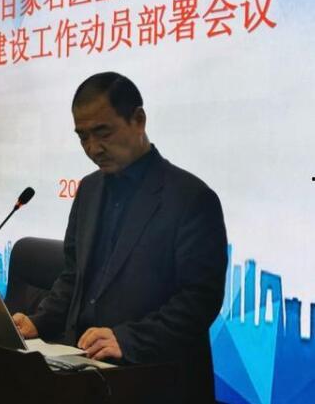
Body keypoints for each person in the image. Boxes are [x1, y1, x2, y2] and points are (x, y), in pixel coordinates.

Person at [12, 72, 227, 403]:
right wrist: (38, 322)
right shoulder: (89, 189)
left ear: (138, 120)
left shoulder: (190, 198)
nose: (93, 148)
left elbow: (199, 300)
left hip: (155, 380)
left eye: (103, 133)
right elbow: (73, 277)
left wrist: (128, 340)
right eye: (82, 137)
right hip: (85, 374)